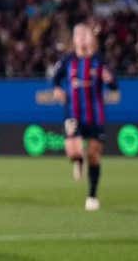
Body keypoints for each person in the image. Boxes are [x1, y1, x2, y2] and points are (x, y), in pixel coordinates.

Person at [52, 22, 117, 211]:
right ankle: (77, 161)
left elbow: (114, 86)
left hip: (95, 115)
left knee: (94, 155)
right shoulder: (67, 60)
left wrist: (110, 80)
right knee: (73, 150)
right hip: (72, 113)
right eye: (77, 34)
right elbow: (55, 79)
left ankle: (92, 195)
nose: (81, 37)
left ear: (91, 38)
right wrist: (57, 89)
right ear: (73, 39)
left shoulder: (99, 61)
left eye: (84, 34)